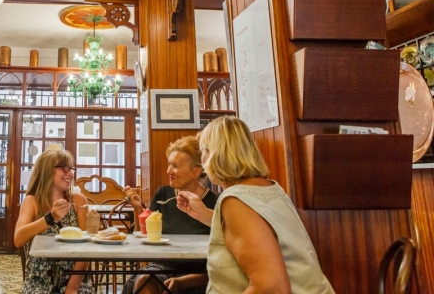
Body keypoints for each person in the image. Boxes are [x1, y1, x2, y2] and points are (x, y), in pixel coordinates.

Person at [175, 116, 335, 293]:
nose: (202, 160)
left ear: (215, 153)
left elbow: (271, 287)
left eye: (203, 151)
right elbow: (255, 231)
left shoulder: (235, 199)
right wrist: (203, 213)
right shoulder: (271, 188)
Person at [121, 135, 217, 294]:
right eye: (169, 165)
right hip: (161, 268)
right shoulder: (163, 195)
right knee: (146, 281)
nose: (168, 171)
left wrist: (184, 281)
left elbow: (224, 264)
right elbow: (145, 237)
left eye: (175, 166)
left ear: (195, 172)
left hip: (201, 274)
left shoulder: (215, 203)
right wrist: (138, 209)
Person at [14, 150, 94, 294]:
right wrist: (50, 218)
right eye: (65, 168)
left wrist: (73, 288)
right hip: (39, 280)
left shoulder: (78, 200)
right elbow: (18, 239)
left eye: (71, 169)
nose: (70, 173)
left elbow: (87, 248)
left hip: (74, 279)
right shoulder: (32, 201)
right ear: (47, 171)